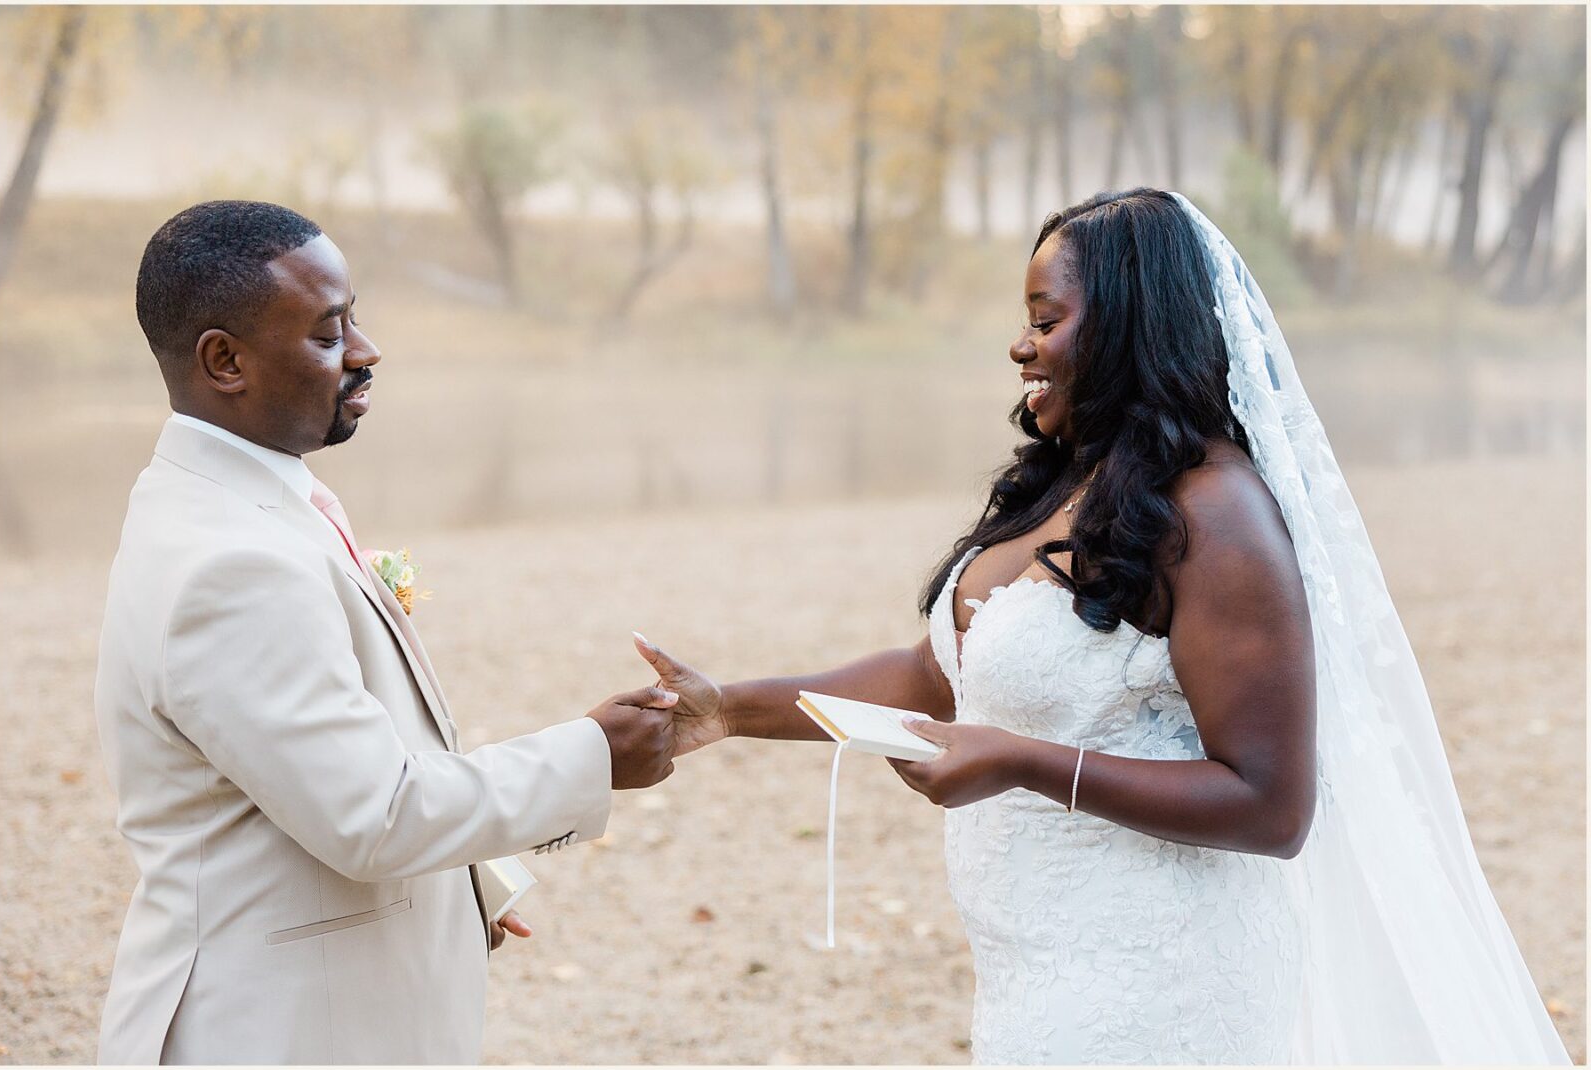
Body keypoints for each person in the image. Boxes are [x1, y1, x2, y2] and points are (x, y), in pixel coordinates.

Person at [634, 189, 1572, 1063]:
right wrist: (726, 712)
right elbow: (940, 673)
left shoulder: (1217, 515)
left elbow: (1272, 806)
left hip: (1164, 987)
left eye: (1046, 321)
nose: (1020, 347)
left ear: (1129, 323)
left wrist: (1022, 761)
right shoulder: (1064, 482)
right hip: (1031, 971)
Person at [95, 200, 679, 1064]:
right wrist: (595, 756)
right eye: (330, 334)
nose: (366, 352)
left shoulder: (242, 496)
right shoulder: (231, 561)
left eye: (354, 318)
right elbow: (374, 814)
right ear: (226, 360)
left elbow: (304, 779)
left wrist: (468, 884)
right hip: (272, 1034)